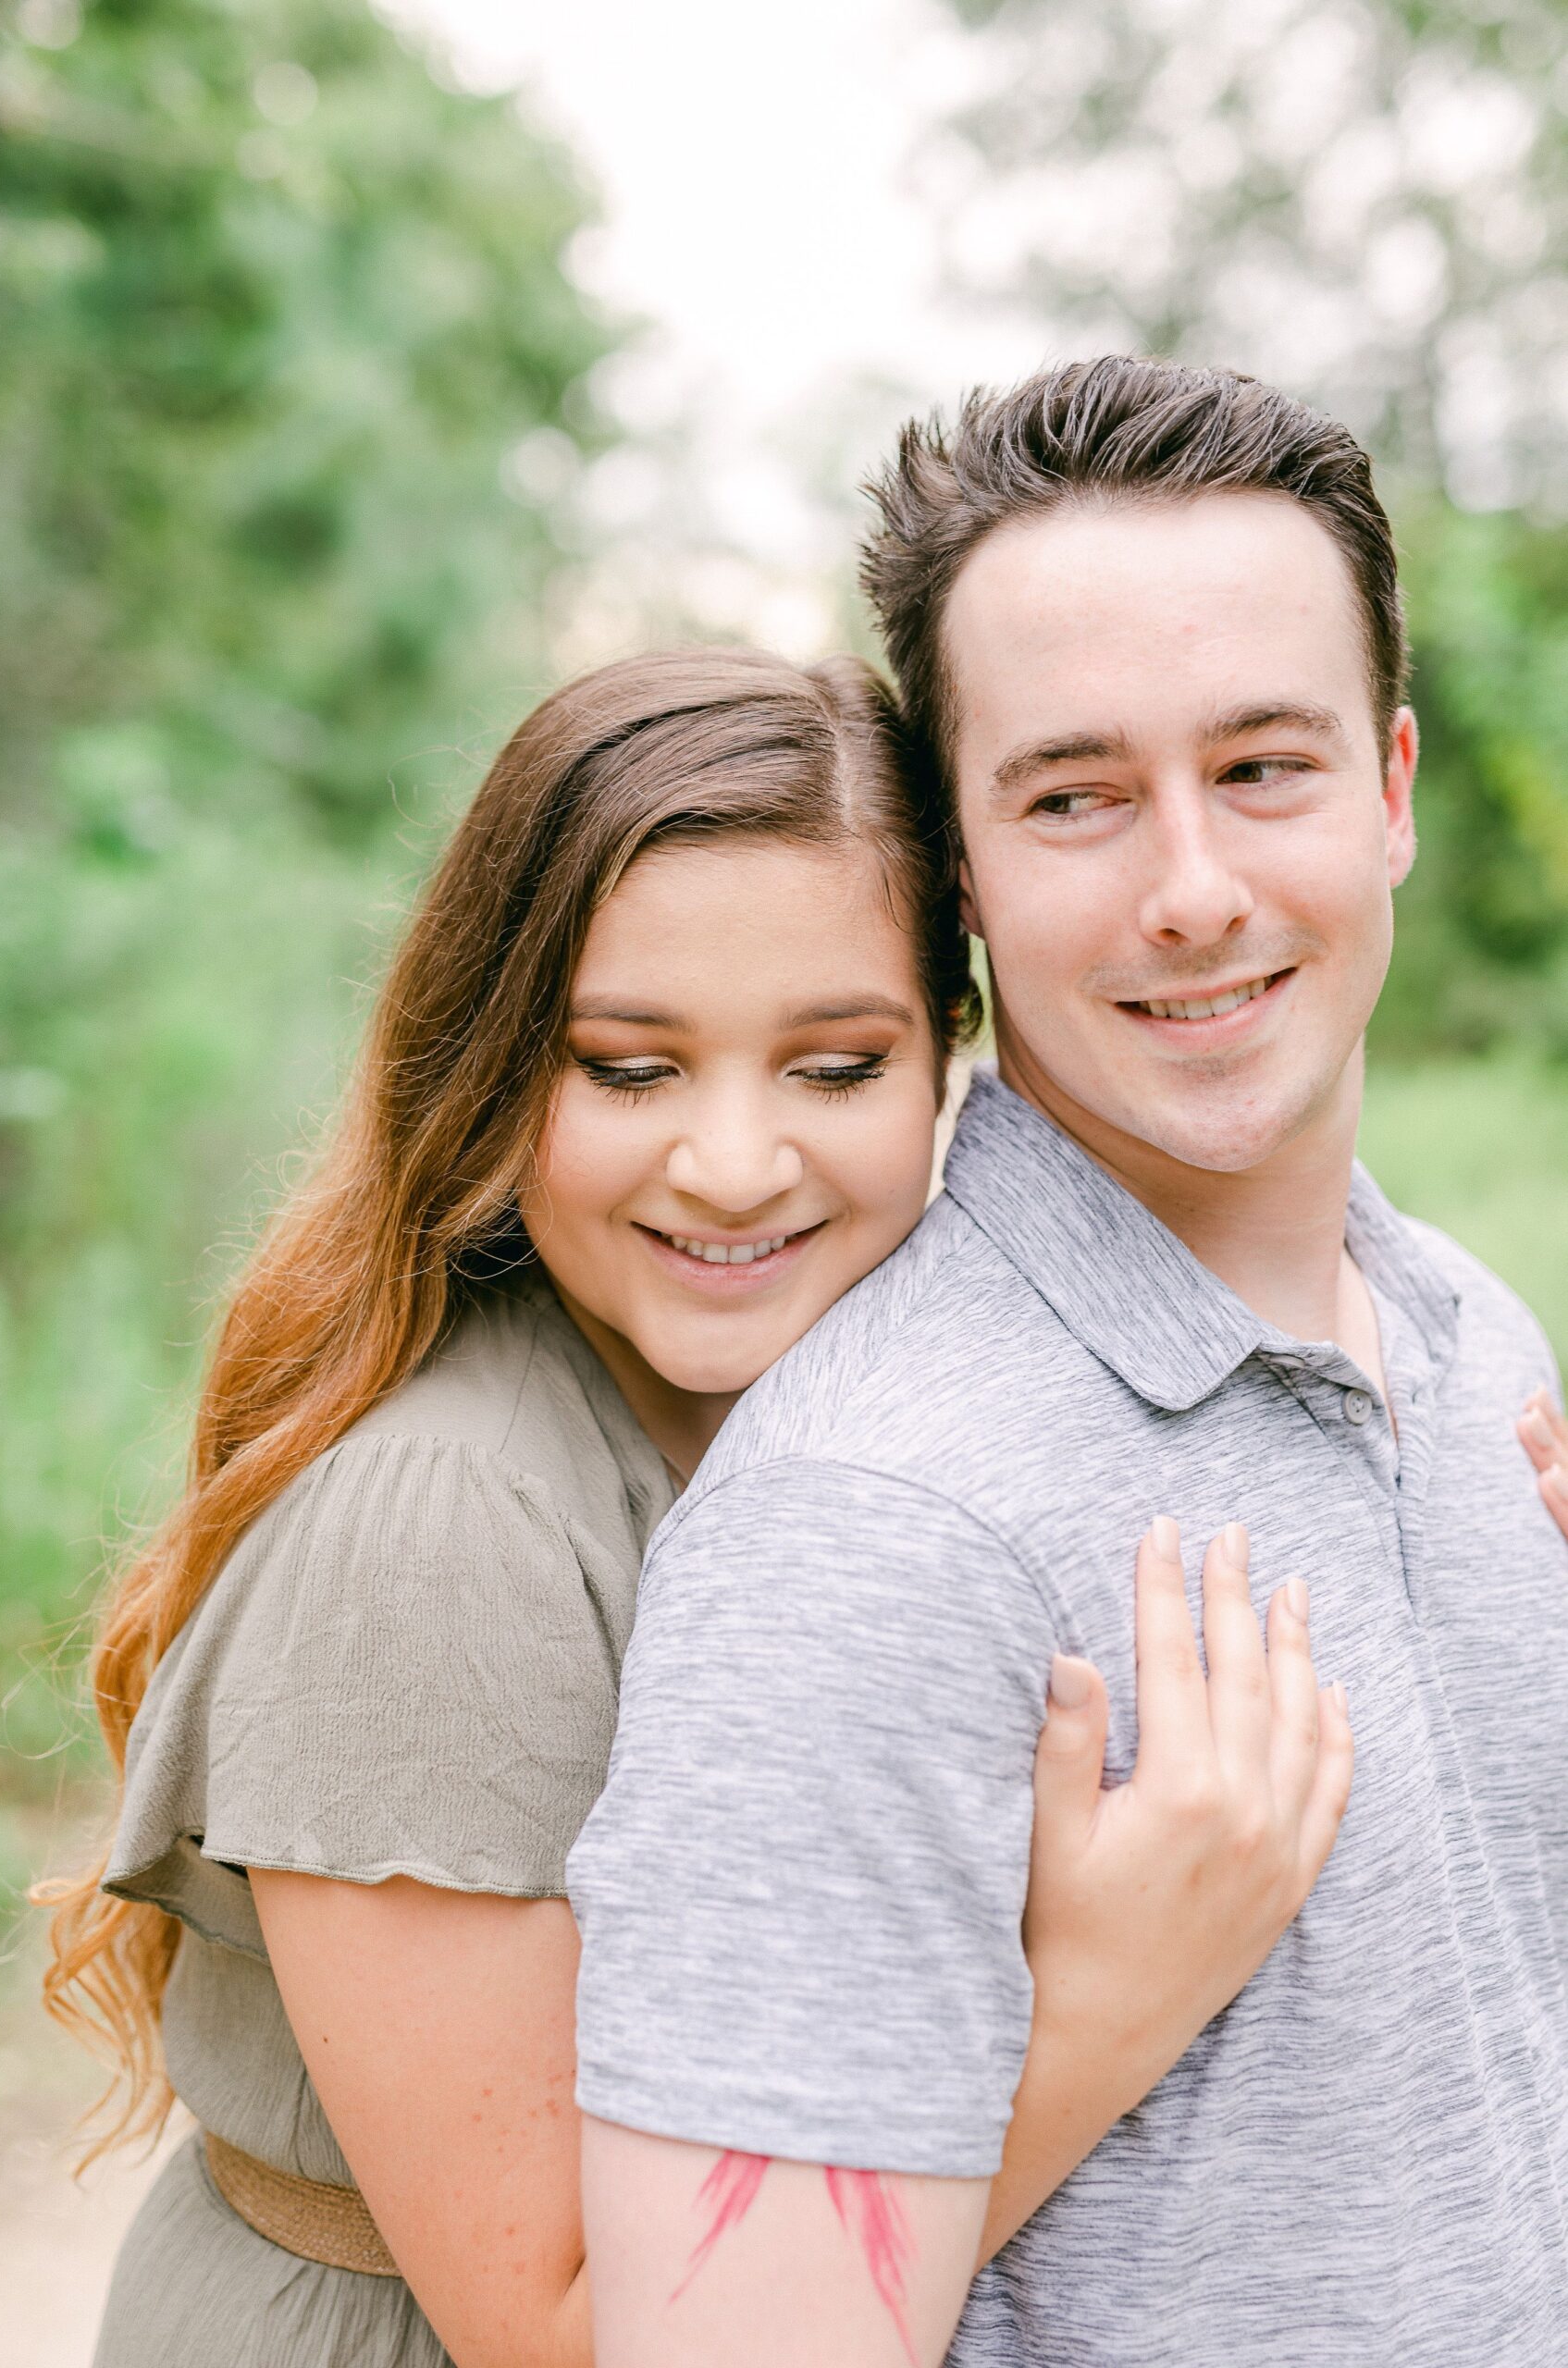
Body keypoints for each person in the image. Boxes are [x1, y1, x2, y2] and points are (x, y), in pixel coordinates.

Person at [43, 647, 1355, 2368]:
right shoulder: (442, 1533)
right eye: (630, 1068)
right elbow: (573, 2330)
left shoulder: (849, 1430)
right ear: (498, 1068)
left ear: (951, 1058)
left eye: (833, 1069)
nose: (734, 1164)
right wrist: (1107, 1996)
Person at [569, 360, 1568, 2368]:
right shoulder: (869, 1525)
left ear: (1390, 790)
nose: (1192, 887)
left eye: (1264, 768)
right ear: (960, 873)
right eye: (1076, 794)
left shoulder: (1474, 1339)